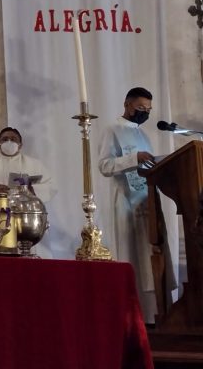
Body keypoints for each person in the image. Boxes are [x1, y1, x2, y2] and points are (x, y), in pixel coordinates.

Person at [98, 86, 173, 321]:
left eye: (148, 109)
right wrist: (133, 158)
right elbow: (105, 166)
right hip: (126, 203)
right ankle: (132, 315)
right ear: (127, 104)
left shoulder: (143, 134)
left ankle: (155, 315)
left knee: (152, 254)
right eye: (141, 107)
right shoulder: (113, 129)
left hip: (147, 202)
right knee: (132, 256)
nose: (144, 112)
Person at [0, 127, 55, 204]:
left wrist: (33, 190)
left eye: (13, 139)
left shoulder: (35, 164)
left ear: (20, 145)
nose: (9, 142)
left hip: (26, 214)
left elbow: (51, 187)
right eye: (5, 139)